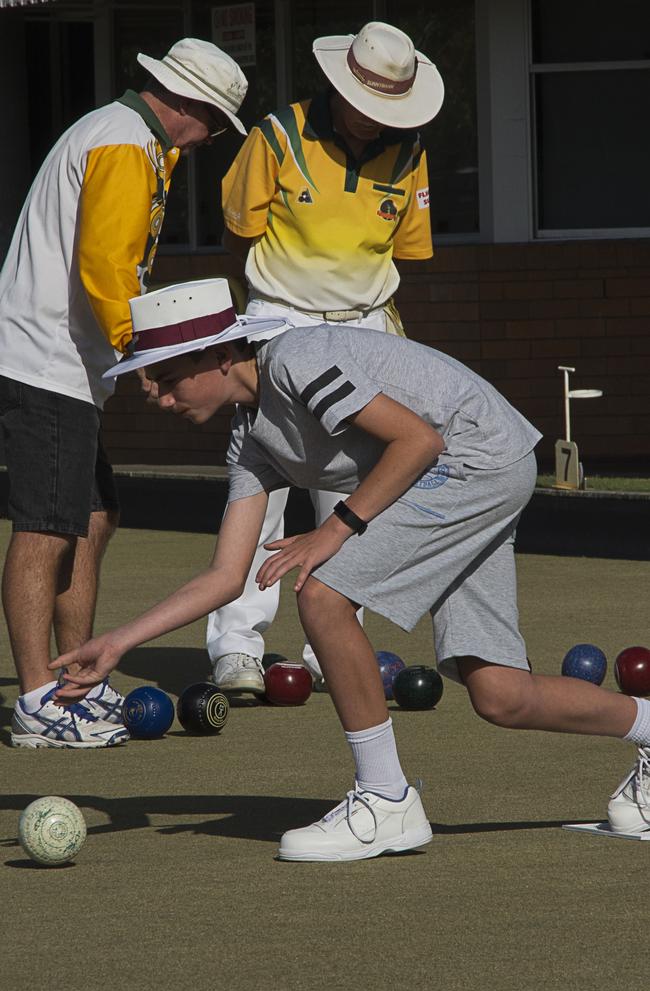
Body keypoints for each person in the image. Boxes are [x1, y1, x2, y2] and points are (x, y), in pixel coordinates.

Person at [51, 278, 650, 860]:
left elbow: (418, 441)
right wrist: (118, 642)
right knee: (502, 695)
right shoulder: (249, 440)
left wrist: (333, 529)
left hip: (474, 457)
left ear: (221, 353)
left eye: (165, 375)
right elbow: (225, 577)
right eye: (148, 380)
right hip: (475, 467)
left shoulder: (297, 359)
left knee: (322, 594)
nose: (154, 394)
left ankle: (386, 800)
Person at [0, 38, 249, 748]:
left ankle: (75, 679)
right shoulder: (122, 142)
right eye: (215, 124)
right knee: (47, 526)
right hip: (46, 359)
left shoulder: (130, 139)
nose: (212, 140)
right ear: (189, 106)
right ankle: (39, 702)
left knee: (95, 515)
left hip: (68, 364)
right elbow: (106, 264)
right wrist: (144, 354)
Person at [205, 21, 445, 696]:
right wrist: (246, 328)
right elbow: (237, 236)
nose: (376, 121)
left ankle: (333, 641)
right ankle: (236, 645)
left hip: (367, 330)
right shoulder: (276, 137)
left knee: (354, 492)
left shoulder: (410, 152)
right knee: (263, 485)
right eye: (367, 104)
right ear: (340, 86)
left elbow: (406, 256)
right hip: (280, 321)